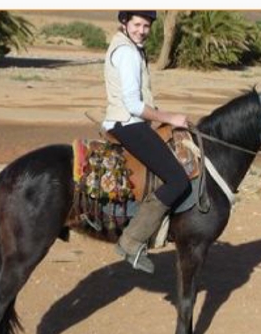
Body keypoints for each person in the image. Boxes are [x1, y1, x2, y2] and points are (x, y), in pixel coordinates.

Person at [103, 10, 191, 274]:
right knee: (178, 180)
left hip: (127, 121)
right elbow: (133, 104)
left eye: (146, 25)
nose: (142, 30)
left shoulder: (129, 47)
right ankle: (131, 241)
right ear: (125, 23)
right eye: (137, 24)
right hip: (127, 123)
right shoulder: (128, 53)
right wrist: (169, 117)